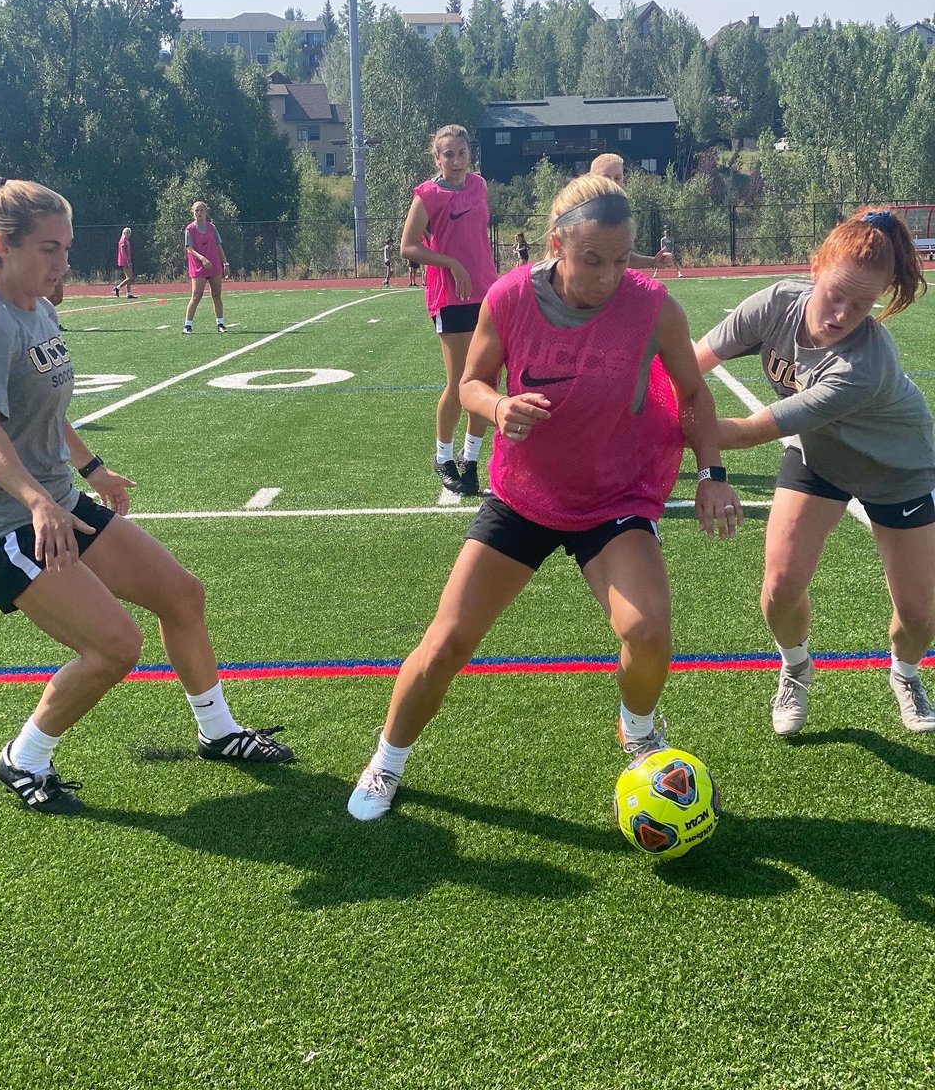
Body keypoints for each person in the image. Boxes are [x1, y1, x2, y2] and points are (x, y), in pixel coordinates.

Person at [348, 174, 742, 821]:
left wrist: (712, 473)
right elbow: (472, 381)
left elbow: (694, 394)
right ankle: (387, 761)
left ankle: (638, 729)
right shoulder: (509, 299)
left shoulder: (653, 306)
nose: (609, 274)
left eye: (620, 258)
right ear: (556, 244)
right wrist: (499, 407)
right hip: (523, 496)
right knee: (448, 641)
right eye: (592, 259)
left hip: (616, 494)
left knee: (647, 632)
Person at [0, 176, 291, 815]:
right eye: (48, 249)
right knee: (115, 647)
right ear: (1, 246)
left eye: (65, 247)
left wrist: (92, 470)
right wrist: (38, 502)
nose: (63, 263)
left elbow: (47, 408)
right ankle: (25, 756)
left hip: (61, 502)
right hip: (8, 523)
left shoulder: (38, 306)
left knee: (181, 594)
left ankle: (218, 731)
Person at [694, 207, 935, 737]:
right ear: (816, 266)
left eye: (862, 304)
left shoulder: (862, 366)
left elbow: (748, 432)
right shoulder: (777, 303)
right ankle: (796, 667)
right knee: (780, 585)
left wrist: (669, 437)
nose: (841, 314)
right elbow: (689, 364)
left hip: (898, 470)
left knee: (919, 616)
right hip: (819, 457)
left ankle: (906, 672)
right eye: (835, 295)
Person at [401, 124, 500, 498]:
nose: (456, 160)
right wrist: (450, 263)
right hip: (450, 297)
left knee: (487, 385)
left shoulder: (479, 185)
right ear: (437, 158)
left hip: (486, 295)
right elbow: (408, 247)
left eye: (461, 152)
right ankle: (443, 458)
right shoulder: (427, 195)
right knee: (460, 384)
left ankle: (471, 460)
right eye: (448, 154)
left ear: (469, 153)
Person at [589, 153, 678, 275]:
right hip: (584, 285)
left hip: (610, 280)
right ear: (591, 180)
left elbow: (621, 256)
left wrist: (652, 261)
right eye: (606, 177)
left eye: (617, 178)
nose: (612, 183)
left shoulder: (618, 211)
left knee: (658, 292)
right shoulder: (580, 210)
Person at [183, 202, 229, 334]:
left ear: (206, 212)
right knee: (196, 295)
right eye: (196, 211)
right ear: (193, 213)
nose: (199, 213)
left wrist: (225, 263)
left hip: (214, 265)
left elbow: (218, 246)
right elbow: (189, 248)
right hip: (198, 267)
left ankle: (220, 323)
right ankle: (187, 325)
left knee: (216, 294)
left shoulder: (211, 228)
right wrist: (202, 259)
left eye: (201, 210)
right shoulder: (190, 229)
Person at [113, 227, 137, 299]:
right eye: (128, 233)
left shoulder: (126, 240)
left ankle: (129, 293)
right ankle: (118, 287)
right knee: (130, 278)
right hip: (125, 261)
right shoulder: (123, 240)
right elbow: (122, 251)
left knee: (128, 277)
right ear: (124, 233)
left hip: (127, 260)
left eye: (130, 233)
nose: (129, 234)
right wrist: (127, 260)